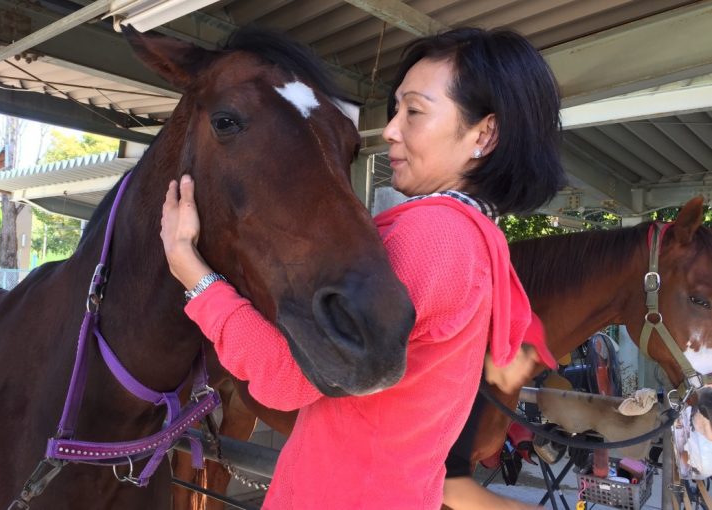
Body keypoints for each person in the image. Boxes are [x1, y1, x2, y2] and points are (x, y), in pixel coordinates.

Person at [161, 27, 565, 510]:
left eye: (414, 111)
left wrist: (194, 275)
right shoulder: (479, 241)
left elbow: (288, 380)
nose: (390, 130)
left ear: (483, 134)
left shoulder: (434, 236)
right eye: (396, 110)